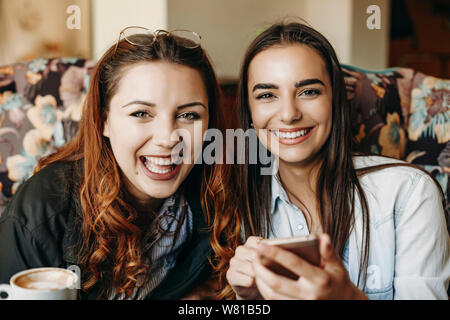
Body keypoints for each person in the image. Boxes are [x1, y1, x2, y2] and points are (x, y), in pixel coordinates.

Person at [212, 21, 450, 300]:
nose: (289, 114)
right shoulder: (235, 203)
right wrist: (249, 299)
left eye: (309, 91)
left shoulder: (410, 192)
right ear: (250, 113)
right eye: (267, 95)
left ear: (335, 100)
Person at [0, 28, 226, 299]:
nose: (168, 139)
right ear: (104, 120)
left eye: (189, 115)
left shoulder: (214, 196)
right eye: (141, 113)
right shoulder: (41, 210)